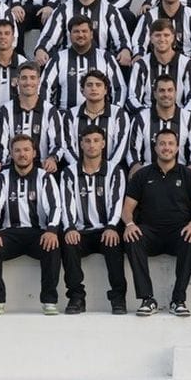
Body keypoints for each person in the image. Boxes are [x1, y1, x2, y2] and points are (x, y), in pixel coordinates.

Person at [123, 127, 191, 316]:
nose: (166, 148)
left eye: (170, 144)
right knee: (131, 237)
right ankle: (147, 299)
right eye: (162, 144)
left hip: (179, 232)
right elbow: (127, 208)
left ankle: (178, 300)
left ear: (177, 148)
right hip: (150, 232)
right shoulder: (142, 175)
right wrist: (129, 224)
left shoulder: (188, 175)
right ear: (155, 148)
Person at [0, 133, 67, 315]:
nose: (22, 154)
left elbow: (55, 206)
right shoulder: (2, 178)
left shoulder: (44, 177)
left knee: (53, 246)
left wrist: (52, 230)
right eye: (17, 150)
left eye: (27, 150)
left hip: (38, 233)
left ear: (34, 153)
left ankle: (49, 300)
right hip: (10, 233)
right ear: (11, 154)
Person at [59, 124, 129, 315]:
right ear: (81, 144)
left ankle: (118, 298)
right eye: (87, 141)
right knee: (68, 243)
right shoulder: (69, 172)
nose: (92, 145)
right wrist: (70, 228)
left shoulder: (115, 171)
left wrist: (112, 226)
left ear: (103, 144)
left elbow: (117, 201)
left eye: (96, 141)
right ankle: (76, 297)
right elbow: (66, 203)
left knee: (114, 243)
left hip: (106, 229)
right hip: (80, 230)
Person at [37, 0, 133, 66]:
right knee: (42, 59)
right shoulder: (63, 10)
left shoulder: (109, 10)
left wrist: (125, 49)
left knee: (125, 60)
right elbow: (49, 36)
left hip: (101, 64)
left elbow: (121, 37)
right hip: (69, 63)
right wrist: (41, 49)